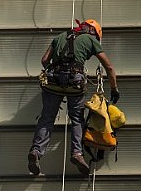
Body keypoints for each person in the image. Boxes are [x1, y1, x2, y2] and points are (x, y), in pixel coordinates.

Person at [28, 19, 119, 175]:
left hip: (52, 82)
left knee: (47, 118)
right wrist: (114, 88)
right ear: (93, 32)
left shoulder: (60, 36)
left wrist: (56, 72)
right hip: (74, 83)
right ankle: (77, 153)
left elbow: (44, 60)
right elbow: (109, 67)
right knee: (77, 119)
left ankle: (36, 151)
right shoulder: (90, 39)